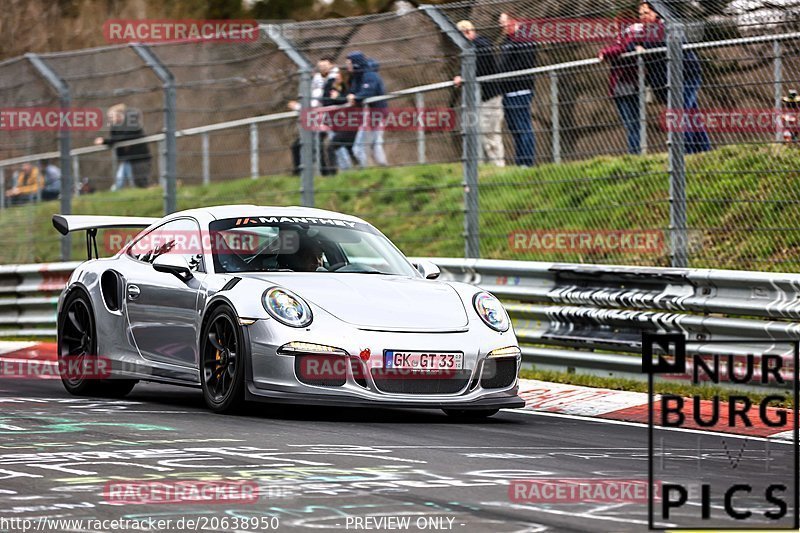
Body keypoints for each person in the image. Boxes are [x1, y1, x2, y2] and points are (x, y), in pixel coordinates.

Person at [634, 1, 711, 154]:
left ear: (656, 13)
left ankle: (686, 152)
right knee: (690, 114)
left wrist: (643, 48)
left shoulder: (666, 27)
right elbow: (630, 44)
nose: (643, 17)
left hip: (686, 77)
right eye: (641, 14)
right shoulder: (645, 32)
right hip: (668, 81)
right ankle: (703, 150)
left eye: (646, 13)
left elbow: (661, 46)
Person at [453, 20, 505, 166]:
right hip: (482, 97)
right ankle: (486, 167)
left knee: (490, 134)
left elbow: (480, 69)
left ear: (468, 32)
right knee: (482, 134)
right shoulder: (472, 48)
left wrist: (464, 77)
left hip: (490, 97)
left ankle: (498, 168)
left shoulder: (481, 46)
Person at [497, 11, 537, 167]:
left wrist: (503, 75)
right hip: (508, 90)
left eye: (503, 23)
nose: (501, 26)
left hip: (520, 89)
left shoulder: (525, 39)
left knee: (523, 126)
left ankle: (526, 162)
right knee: (514, 127)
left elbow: (523, 64)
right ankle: (520, 161)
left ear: (513, 21)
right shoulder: (508, 40)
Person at [290, 58, 340, 176]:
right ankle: (320, 173)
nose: (322, 68)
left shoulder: (331, 82)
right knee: (311, 147)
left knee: (316, 147)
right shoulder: (317, 83)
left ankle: (321, 173)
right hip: (314, 122)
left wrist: (298, 107)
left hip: (322, 122)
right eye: (320, 66)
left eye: (325, 65)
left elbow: (316, 104)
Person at [599, 21, 642, 154]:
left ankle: (635, 154)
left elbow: (624, 48)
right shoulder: (622, 36)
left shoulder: (634, 32)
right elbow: (621, 47)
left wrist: (605, 52)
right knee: (631, 124)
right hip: (620, 86)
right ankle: (634, 153)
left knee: (633, 124)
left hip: (628, 85)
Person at [94, 104, 152, 190]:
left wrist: (104, 141)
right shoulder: (115, 128)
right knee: (120, 182)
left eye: (112, 116)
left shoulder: (131, 124)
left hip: (139, 160)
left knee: (139, 184)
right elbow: (114, 139)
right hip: (127, 160)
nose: (110, 119)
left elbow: (123, 138)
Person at [346, 51, 388, 168]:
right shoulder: (356, 77)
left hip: (376, 114)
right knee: (368, 145)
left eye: (349, 63)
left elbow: (368, 92)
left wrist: (356, 97)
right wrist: (352, 96)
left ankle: (378, 168)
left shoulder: (370, 75)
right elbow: (353, 92)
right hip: (367, 116)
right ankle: (377, 168)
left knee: (367, 145)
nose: (347, 66)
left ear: (356, 63)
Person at [322, 69, 358, 175]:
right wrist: (330, 88)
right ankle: (358, 168)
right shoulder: (330, 88)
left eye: (339, 75)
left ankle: (333, 174)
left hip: (349, 124)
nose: (336, 77)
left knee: (331, 147)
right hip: (338, 125)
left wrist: (337, 98)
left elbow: (349, 100)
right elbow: (326, 102)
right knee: (349, 148)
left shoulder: (349, 88)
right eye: (335, 75)